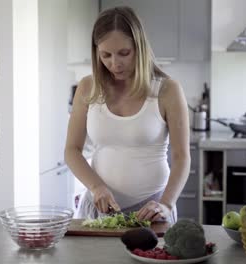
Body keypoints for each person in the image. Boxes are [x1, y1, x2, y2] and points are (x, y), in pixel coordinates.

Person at [64, 6, 190, 223]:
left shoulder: (167, 90)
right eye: (106, 55)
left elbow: (181, 157)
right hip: (99, 206)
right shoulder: (87, 88)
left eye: (124, 53)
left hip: (152, 209)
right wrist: (96, 187)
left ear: (139, 47)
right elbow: (72, 150)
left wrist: (166, 204)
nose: (115, 63)